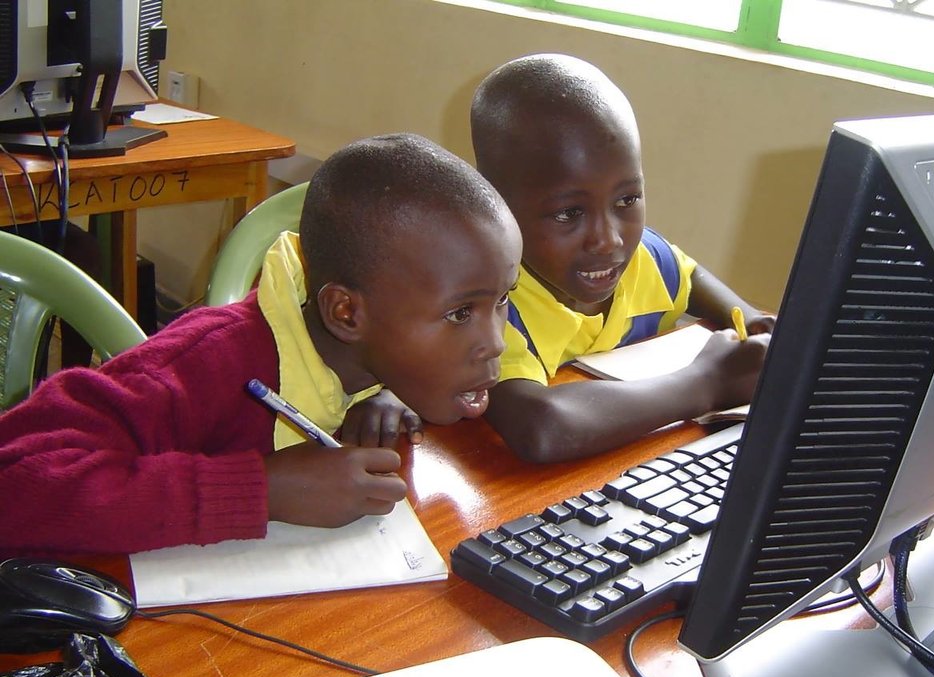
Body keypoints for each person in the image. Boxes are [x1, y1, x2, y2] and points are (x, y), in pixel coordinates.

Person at [0, 133, 522, 556]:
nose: (496, 342)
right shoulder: (204, 364)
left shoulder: (370, 347)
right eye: (460, 313)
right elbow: (15, 483)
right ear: (346, 313)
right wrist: (262, 491)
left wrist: (384, 392)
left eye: (502, 300)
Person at [470, 53, 774, 463]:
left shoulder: (640, 262)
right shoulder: (485, 307)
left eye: (627, 199)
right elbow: (542, 429)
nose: (608, 240)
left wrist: (748, 315)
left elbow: (687, 274)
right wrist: (710, 380)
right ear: (496, 205)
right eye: (568, 213)